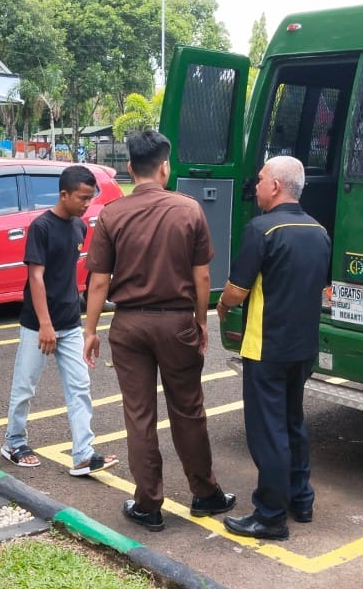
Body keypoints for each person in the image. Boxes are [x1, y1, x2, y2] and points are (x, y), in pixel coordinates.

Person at [83, 130, 234, 532]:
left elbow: (98, 281)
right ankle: (205, 493)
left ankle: (148, 504)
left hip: (129, 324)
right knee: (188, 409)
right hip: (176, 320)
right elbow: (202, 278)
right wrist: (201, 321)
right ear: (165, 166)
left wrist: (89, 331)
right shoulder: (189, 210)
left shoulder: (112, 214)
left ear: (130, 168)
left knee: (139, 414)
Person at [216, 156, 331, 541]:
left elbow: (236, 290)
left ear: (277, 186)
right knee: (293, 422)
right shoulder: (319, 231)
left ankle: (269, 517)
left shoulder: (262, 230)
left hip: (266, 347)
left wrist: (221, 306)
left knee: (268, 433)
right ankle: (302, 500)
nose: (257, 185)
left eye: (261, 179)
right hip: (303, 348)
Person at [1, 165, 119, 476]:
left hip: (69, 323)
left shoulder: (79, 227)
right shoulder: (41, 227)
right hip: (38, 324)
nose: (86, 204)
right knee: (25, 386)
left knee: (80, 387)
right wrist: (45, 324)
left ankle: (83, 453)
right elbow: (35, 278)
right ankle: (14, 441)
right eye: (82, 198)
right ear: (63, 194)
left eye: (90, 199)